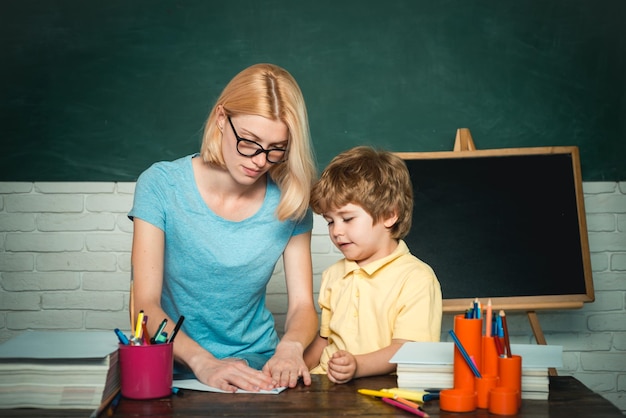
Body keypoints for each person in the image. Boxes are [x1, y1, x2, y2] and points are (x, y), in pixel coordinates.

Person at [128, 63, 319, 392]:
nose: (260, 160)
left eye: (276, 150)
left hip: (258, 365)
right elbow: (145, 305)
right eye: (249, 141)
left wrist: (290, 348)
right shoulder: (160, 185)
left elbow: (303, 306)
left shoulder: (291, 202)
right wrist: (204, 363)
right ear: (221, 120)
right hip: (175, 364)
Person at [303, 146, 442, 384]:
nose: (337, 231)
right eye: (329, 222)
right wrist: (295, 366)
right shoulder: (333, 275)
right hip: (326, 386)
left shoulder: (417, 278)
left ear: (389, 215)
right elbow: (324, 340)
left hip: (381, 390)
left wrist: (357, 365)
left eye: (347, 219)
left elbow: (408, 350)